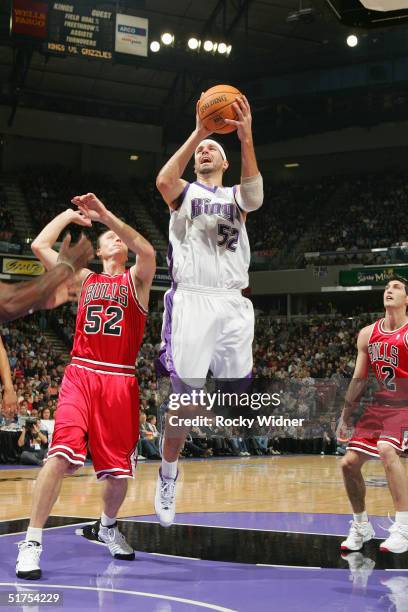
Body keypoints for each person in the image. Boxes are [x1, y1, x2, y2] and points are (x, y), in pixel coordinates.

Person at [16, 195, 156, 579]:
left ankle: (107, 526)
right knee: (58, 457)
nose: (118, 240)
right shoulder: (82, 280)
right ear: (97, 248)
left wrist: (107, 215)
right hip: (81, 373)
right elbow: (39, 246)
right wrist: (69, 215)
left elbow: (146, 248)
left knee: (118, 475)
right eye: (109, 236)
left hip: (119, 379)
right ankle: (31, 542)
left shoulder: (137, 279)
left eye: (120, 237)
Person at [155, 94, 263, 526]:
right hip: (194, 299)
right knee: (184, 401)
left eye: (211, 149)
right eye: (201, 149)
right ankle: (167, 473)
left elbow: (254, 196)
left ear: (223, 161)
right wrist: (199, 130)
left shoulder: (237, 196)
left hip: (234, 301)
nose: (204, 152)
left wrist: (245, 136)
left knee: (239, 393)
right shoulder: (184, 193)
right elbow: (163, 180)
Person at [338, 276, 408, 554]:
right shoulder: (368, 334)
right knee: (348, 464)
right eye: (387, 287)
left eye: (397, 287)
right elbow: (359, 379)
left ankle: (403, 527)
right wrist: (345, 415)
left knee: (386, 450)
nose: (389, 290)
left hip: (405, 405)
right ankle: (361, 525)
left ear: (407, 300)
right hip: (379, 406)